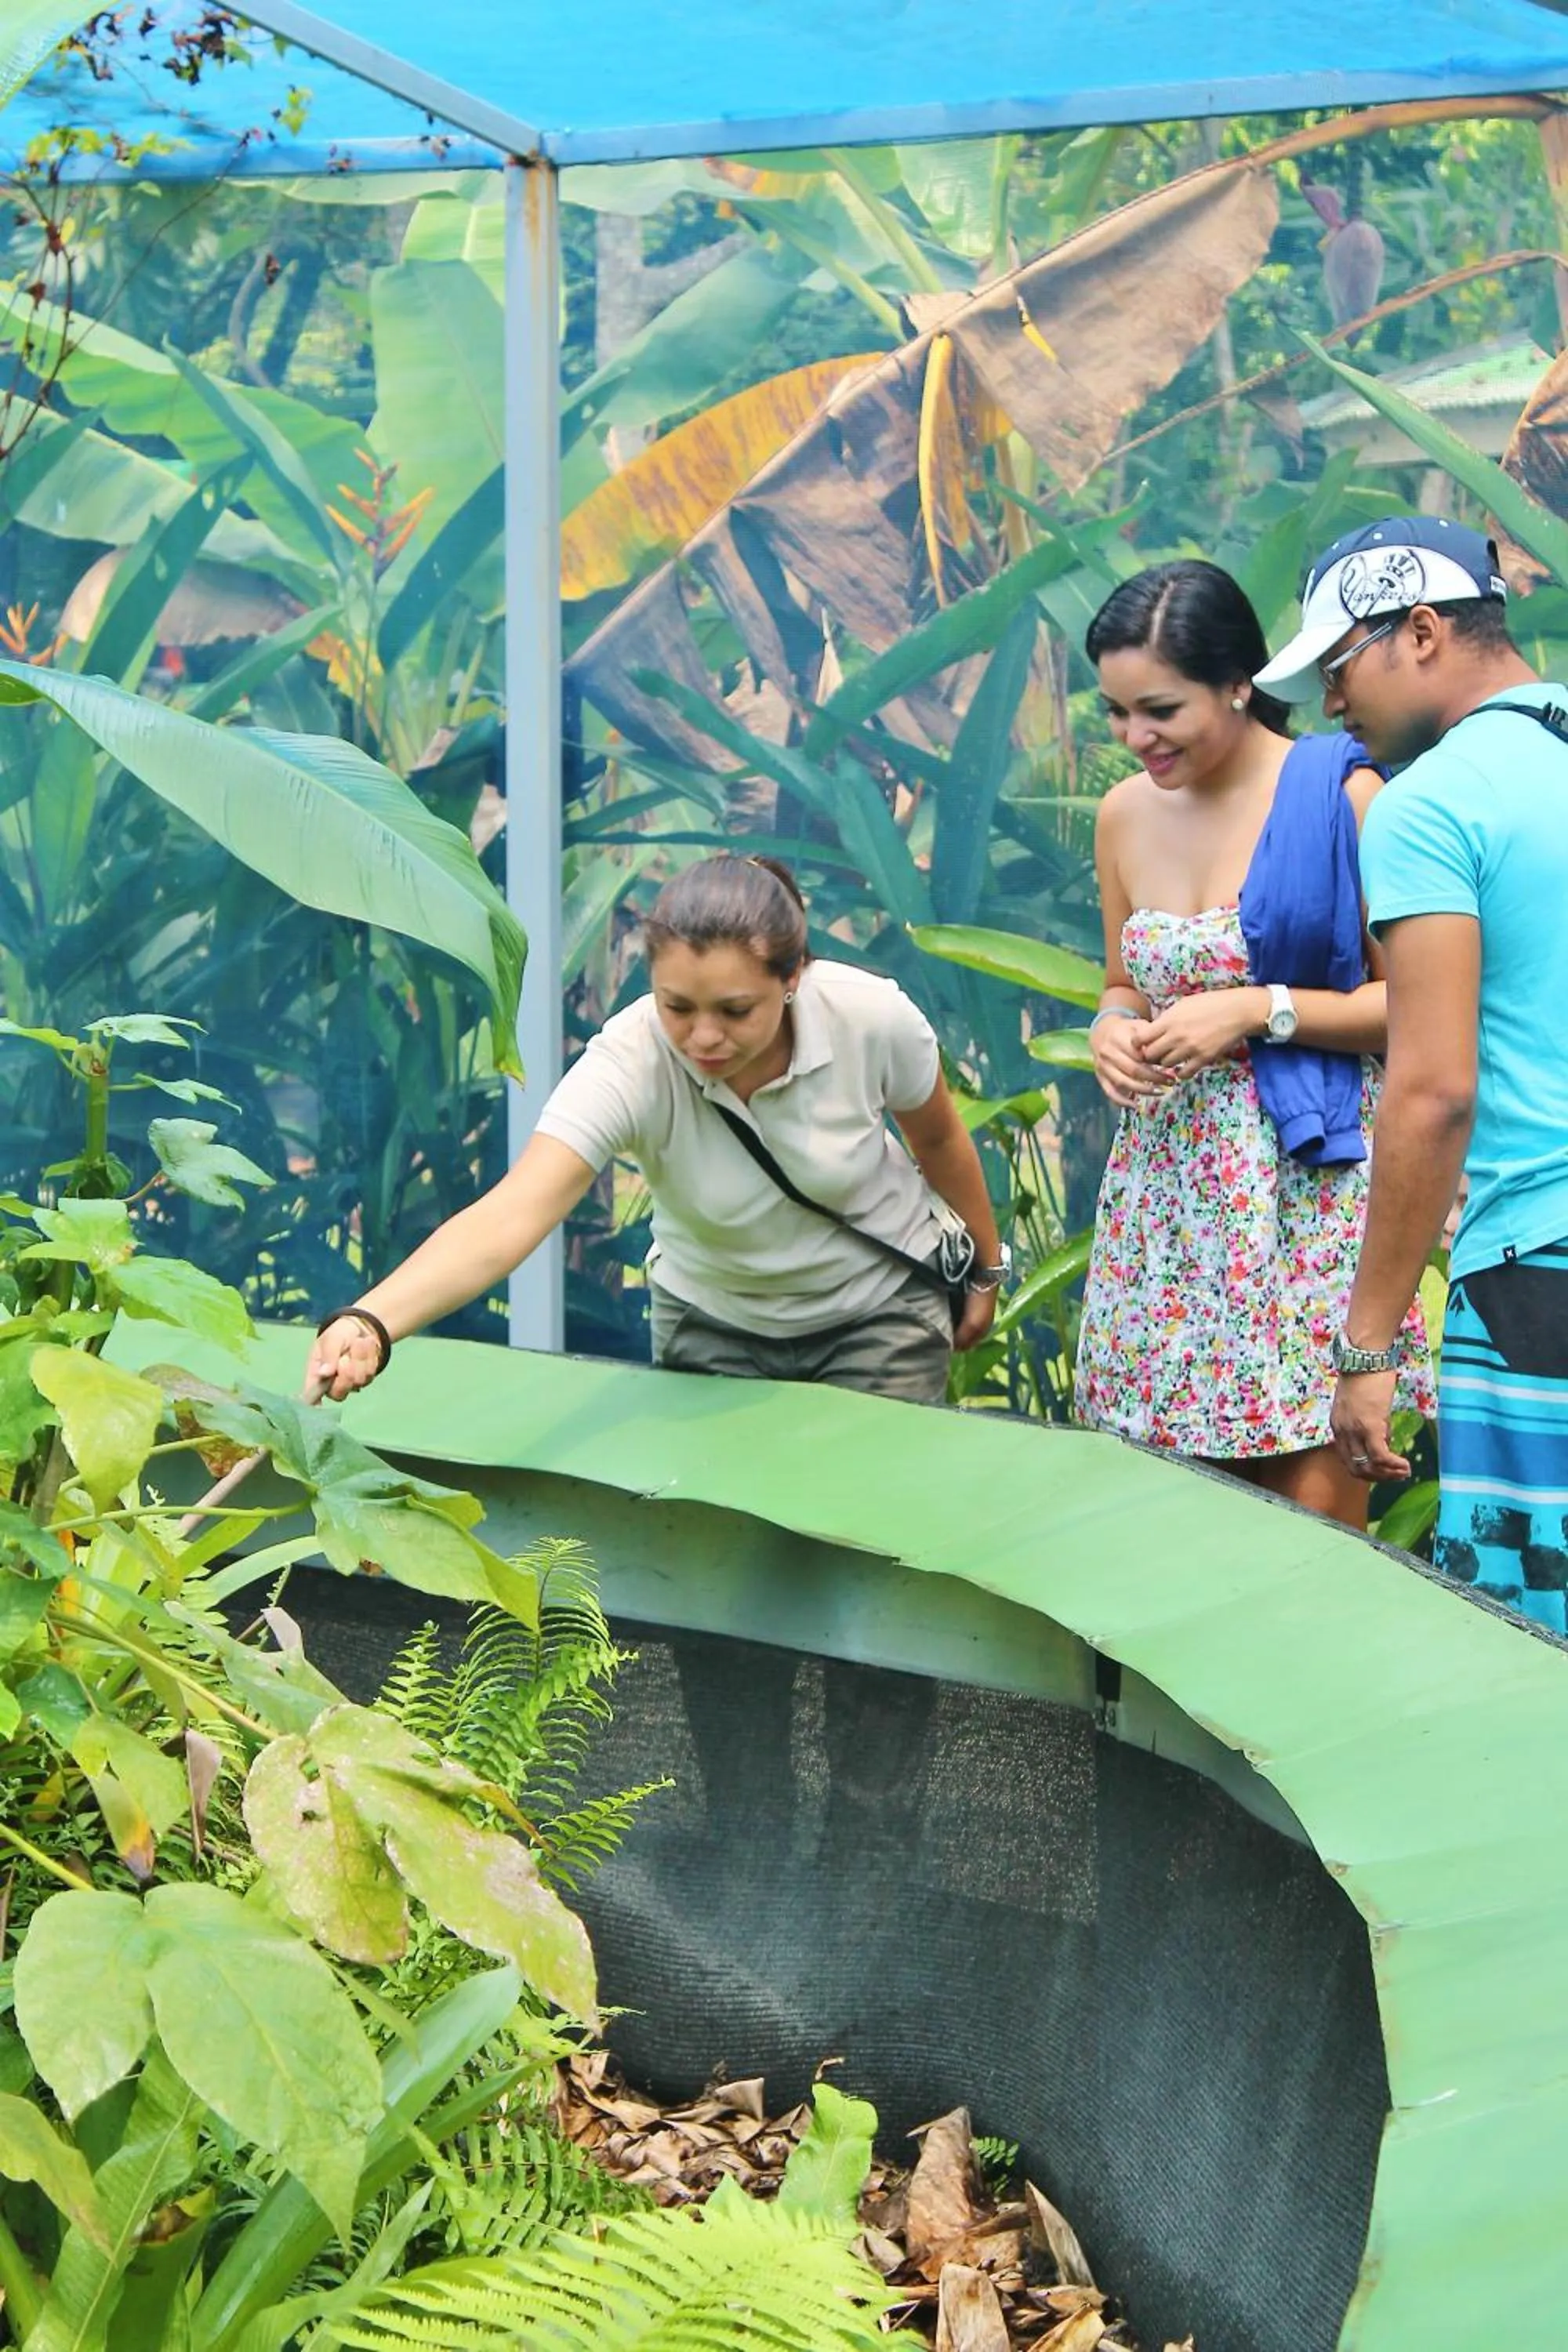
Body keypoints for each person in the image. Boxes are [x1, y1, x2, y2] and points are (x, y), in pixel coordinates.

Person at [308, 851, 1007, 1407]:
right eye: (678, 1006)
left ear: (793, 975)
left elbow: (939, 1140)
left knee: (869, 1538)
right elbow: (514, 1213)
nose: (704, 1036)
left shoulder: (870, 1018)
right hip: (714, 1331)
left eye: (736, 1011)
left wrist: (985, 1268)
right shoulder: (631, 1058)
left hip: (876, 1316)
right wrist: (370, 1322)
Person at [1074, 559, 1433, 1530]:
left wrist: (1254, 1009)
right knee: (1176, 1542)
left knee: (1316, 1542)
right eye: (1114, 713)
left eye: (1158, 709)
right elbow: (1120, 980)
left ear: (1237, 683)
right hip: (1168, 1216)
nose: (1134, 738)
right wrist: (1109, 1030)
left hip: (1305, 1198)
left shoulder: (1340, 795)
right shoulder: (1121, 815)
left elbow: (1411, 1005)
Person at [1258, 515, 1568, 1626]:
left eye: (1339, 668)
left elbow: (1432, 1091)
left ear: (1423, 632)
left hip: (1542, 1263)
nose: (1333, 705)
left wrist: (1370, 1344)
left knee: (1538, 1643)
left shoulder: (1431, 808)